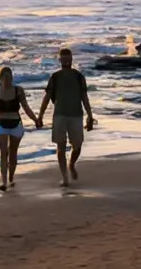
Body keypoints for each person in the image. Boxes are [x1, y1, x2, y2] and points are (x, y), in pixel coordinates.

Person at [38, 48, 94, 187]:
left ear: (71, 59)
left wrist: (90, 115)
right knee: (61, 147)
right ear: (59, 60)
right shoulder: (55, 77)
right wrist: (40, 115)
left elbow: (84, 97)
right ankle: (65, 178)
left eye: (67, 58)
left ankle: (72, 164)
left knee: (78, 145)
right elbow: (47, 97)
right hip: (59, 115)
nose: (65, 61)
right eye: (63, 58)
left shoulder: (78, 76)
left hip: (76, 115)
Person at [0, 66, 41, 191]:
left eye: (9, 78)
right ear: (0, 79)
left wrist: (36, 120)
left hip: (16, 124)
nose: (7, 81)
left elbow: (26, 108)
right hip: (2, 125)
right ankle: (4, 182)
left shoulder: (18, 91)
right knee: (3, 154)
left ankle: (11, 177)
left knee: (13, 153)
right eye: (4, 78)